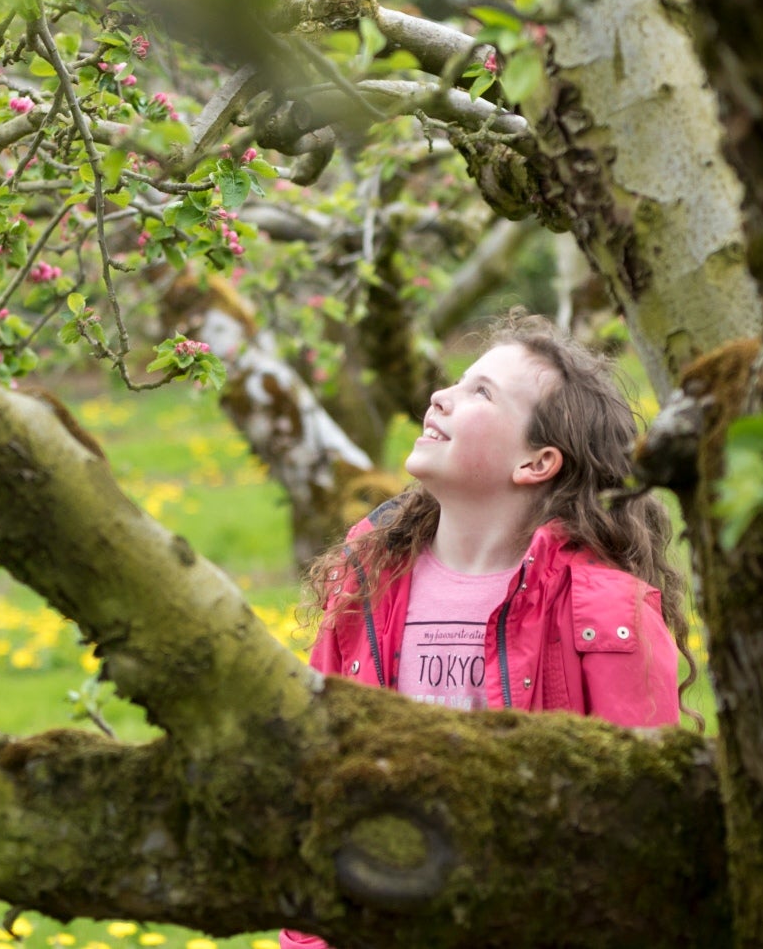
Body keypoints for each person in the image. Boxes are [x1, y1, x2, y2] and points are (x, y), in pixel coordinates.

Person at [280, 314, 690, 947]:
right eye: (457, 381)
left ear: (537, 461)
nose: (441, 396)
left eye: (482, 393)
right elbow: (313, 788)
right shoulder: (363, 586)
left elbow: (646, 836)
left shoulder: (610, 617)